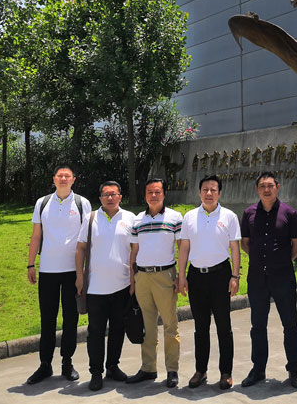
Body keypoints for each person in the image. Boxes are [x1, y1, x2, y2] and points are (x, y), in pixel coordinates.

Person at [26, 164, 90, 385]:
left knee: (71, 318)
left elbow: (86, 239)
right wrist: (30, 264)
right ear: (54, 179)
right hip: (48, 270)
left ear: (73, 180)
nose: (63, 179)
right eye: (59, 176)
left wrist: (83, 272)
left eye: (67, 176)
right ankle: (45, 364)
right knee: (47, 319)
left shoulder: (82, 203)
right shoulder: (42, 203)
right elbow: (36, 235)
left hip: (73, 270)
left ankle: (67, 363)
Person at [240, 171, 297, 389]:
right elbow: (245, 243)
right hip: (257, 277)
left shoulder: (289, 213)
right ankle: (258, 369)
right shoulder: (249, 213)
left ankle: (293, 368)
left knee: (290, 324)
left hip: (283, 276)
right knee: (258, 325)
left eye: (270, 185)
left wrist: (281, 260)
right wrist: (261, 259)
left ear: (278, 187)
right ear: (257, 189)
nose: (266, 190)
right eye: (262, 186)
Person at [177, 174, 241, 390]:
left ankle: (226, 372)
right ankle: (200, 370)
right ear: (199, 192)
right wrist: (182, 275)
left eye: (213, 190)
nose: (209, 193)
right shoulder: (189, 217)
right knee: (200, 326)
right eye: (205, 189)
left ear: (219, 193)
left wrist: (235, 276)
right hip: (196, 276)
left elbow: (234, 248)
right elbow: (184, 247)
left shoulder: (229, 216)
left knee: (224, 326)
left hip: (220, 275)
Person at [76, 181, 134, 391]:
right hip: (95, 288)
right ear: (100, 198)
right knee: (96, 332)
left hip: (122, 286)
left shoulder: (130, 218)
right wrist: (79, 276)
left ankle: (112, 366)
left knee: (118, 329)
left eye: (114, 194)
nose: (110, 198)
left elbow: (135, 250)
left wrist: (134, 280)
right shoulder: (90, 218)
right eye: (106, 195)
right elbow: (81, 248)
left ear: (120, 197)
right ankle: (96, 372)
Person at [126, 178, 182, 388]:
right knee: (147, 326)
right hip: (142, 277)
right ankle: (148, 368)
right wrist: (133, 279)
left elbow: (182, 247)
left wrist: (181, 276)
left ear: (164, 194)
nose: (154, 195)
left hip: (165, 275)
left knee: (170, 325)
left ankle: (172, 369)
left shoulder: (175, 217)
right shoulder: (137, 220)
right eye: (150, 192)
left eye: (157, 191)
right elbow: (134, 251)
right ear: (145, 195)